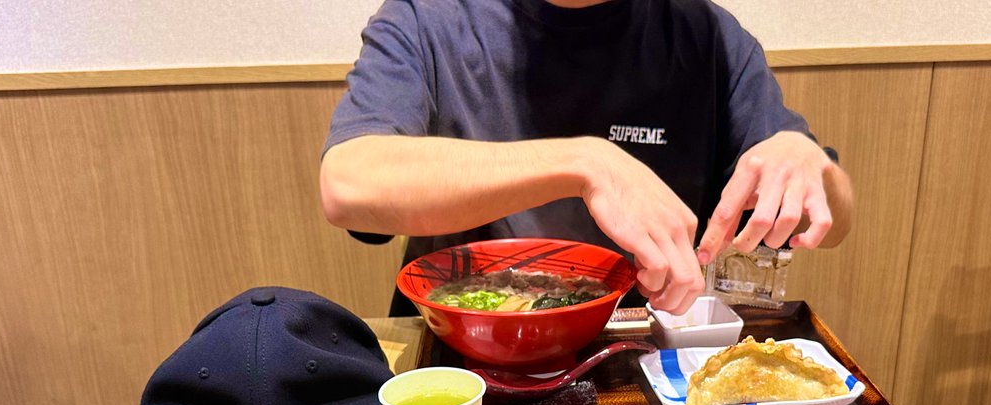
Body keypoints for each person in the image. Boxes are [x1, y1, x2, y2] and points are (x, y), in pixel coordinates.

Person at [319, 0, 853, 315]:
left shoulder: (706, 33)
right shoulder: (428, 18)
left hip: (646, 355)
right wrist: (587, 163)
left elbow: (830, 222)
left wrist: (809, 164)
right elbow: (349, 183)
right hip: (464, 362)